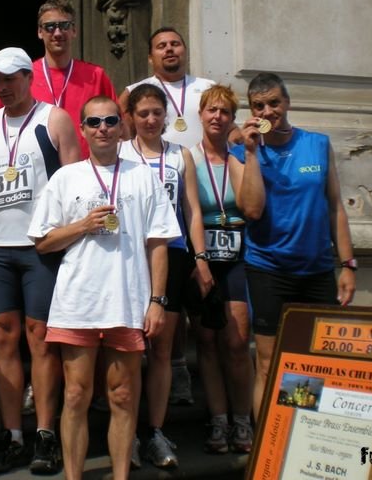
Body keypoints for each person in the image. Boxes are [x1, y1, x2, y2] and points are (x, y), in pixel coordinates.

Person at [28, 96, 182, 480]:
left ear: (122, 127)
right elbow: (43, 241)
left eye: (110, 121)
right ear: (82, 130)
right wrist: (82, 225)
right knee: (76, 395)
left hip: (127, 302)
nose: (103, 129)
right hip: (79, 301)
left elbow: (158, 243)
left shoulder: (143, 175)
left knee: (124, 396)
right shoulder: (66, 178)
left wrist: (158, 301)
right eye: (94, 122)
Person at [0, 47, 81, 474]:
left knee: (41, 337)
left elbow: (74, 181)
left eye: (10, 78)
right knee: (1, 337)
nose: (3, 86)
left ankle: (45, 434)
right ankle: (12, 435)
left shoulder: (54, 118)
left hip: (41, 246)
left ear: (27, 77)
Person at [231, 72, 356, 419]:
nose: (268, 111)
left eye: (274, 103)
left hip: (316, 270)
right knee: (269, 365)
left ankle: (300, 444)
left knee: (314, 362)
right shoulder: (241, 151)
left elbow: (335, 206)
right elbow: (252, 209)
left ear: (287, 103)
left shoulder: (317, 144)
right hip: (269, 269)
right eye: (259, 106)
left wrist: (347, 264)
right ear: (251, 111)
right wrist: (253, 153)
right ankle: (267, 455)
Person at [118, 84, 213, 469]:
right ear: (132, 117)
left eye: (157, 112)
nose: (152, 120)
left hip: (171, 259)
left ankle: (154, 431)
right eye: (143, 114)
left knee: (161, 348)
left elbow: (191, 210)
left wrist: (201, 258)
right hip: (126, 258)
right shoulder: (120, 153)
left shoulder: (180, 155)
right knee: (126, 348)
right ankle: (125, 433)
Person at [189, 85, 254, 454]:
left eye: (225, 112)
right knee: (208, 342)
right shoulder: (188, 160)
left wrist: (246, 151)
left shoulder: (238, 161)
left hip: (237, 256)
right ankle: (218, 420)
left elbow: (249, 205)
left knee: (236, 341)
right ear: (200, 115)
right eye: (211, 110)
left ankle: (241, 418)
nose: (217, 117)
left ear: (231, 119)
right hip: (203, 256)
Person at [0, 0, 117, 158]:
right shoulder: (23, 75)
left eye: (64, 26)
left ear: (74, 30)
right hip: (34, 170)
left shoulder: (95, 75)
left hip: (85, 170)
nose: (58, 33)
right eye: (50, 27)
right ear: (40, 32)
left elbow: (117, 124)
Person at [119, 27, 216, 149]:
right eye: (161, 46)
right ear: (150, 58)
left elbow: (228, 127)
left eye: (175, 44)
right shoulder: (133, 92)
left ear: (185, 51)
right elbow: (125, 135)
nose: (169, 49)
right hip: (156, 165)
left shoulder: (209, 87)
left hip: (203, 165)